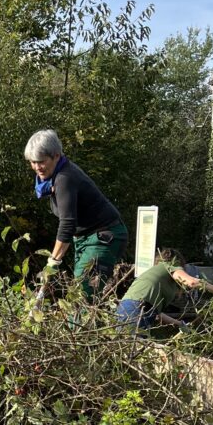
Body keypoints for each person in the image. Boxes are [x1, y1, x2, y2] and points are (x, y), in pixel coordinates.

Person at [24, 129, 128, 300]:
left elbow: (67, 224)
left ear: (56, 156)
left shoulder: (64, 178)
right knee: (82, 294)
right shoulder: (54, 176)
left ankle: (82, 326)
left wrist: (53, 262)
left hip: (103, 238)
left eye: (41, 162)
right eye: (33, 162)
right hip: (87, 238)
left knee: (81, 296)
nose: (37, 167)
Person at [115, 248, 213, 330]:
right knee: (135, 346)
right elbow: (191, 282)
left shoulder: (158, 274)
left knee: (128, 347)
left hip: (126, 308)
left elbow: (157, 315)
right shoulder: (170, 265)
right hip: (137, 309)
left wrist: (180, 324)